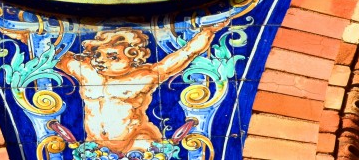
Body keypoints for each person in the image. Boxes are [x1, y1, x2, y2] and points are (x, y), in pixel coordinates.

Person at [56, 22, 229, 155]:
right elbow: (52, 52)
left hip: (136, 144)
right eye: (98, 55)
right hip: (96, 146)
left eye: (112, 56)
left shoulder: (144, 77)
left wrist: (209, 31)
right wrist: (29, 34)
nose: (101, 60)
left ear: (133, 56)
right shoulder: (86, 71)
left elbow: (186, 53)